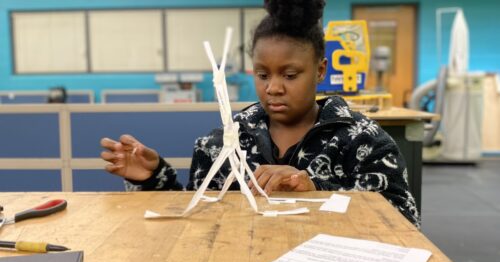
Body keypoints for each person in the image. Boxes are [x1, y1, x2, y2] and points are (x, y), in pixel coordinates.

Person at [100, 0, 420, 227]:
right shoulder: (224, 142)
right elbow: (198, 217)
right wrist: (154, 178)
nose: (274, 88)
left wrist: (316, 186)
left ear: (320, 70)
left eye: (290, 75)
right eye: (263, 75)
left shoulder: (363, 139)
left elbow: (403, 219)